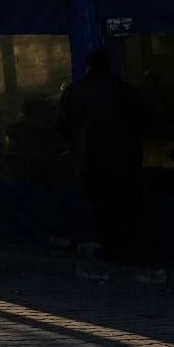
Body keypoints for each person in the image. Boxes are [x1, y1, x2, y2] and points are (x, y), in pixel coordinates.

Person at [58, 47, 146, 261]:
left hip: (89, 160)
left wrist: (74, 148)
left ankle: (104, 246)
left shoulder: (75, 91)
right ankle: (125, 248)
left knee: (99, 205)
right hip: (123, 161)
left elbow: (62, 126)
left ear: (87, 66)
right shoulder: (124, 90)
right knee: (122, 205)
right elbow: (141, 122)